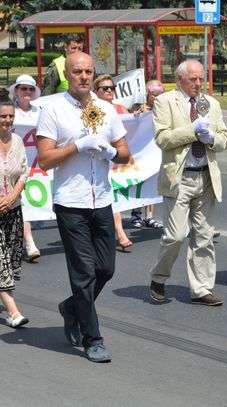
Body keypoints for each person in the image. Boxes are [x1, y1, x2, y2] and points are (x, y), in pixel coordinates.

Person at [36, 52, 130, 362]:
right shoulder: (54, 110)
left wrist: (108, 153)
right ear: (68, 73)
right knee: (84, 275)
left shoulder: (105, 109)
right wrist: (77, 146)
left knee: (105, 268)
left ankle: (71, 307)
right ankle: (93, 339)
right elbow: (45, 159)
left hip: (101, 200)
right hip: (71, 202)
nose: (84, 77)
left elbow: (124, 152)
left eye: (89, 71)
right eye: (78, 71)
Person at [148, 59, 227, 306]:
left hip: (205, 176)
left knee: (204, 236)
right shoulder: (165, 102)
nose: (198, 83)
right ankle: (159, 277)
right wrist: (192, 131)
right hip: (179, 177)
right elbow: (162, 138)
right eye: (192, 79)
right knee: (175, 235)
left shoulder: (211, 103)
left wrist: (211, 137)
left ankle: (202, 288)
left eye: (201, 78)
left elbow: (224, 139)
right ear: (179, 79)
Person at [93, 74, 133, 251]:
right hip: (100, 159)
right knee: (109, 194)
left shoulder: (121, 109)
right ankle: (119, 231)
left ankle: (115, 230)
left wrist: (140, 115)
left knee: (115, 193)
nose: (109, 91)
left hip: (118, 159)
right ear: (96, 91)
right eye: (105, 88)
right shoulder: (92, 109)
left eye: (112, 88)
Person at [0, 89, 29, 328]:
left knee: (10, 258)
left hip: (13, 210)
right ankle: (13, 312)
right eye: (3, 116)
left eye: (10, 116)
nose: (8, 120)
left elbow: (24, 173)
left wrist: (12, 197)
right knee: (1, 262)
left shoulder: (17, 141)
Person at [9, 74, 42, 262]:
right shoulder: (10, 111)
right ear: (17, 91)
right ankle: (29, 243)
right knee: (22, 202)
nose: (27, 92)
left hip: (38, 163)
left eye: (30, 89)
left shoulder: (40, 111)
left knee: (27, 203)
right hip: (15, 162)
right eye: (23, 88)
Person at [129, 79, 164, 230]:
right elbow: (128, 124)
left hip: (154, 151)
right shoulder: (139, 108)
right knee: (138, 182)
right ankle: (136, 213)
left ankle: (149, 216)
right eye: (154, 94)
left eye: (160, 94)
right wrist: (135, 116)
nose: (156, 97)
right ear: (147, 93)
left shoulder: (162, 110)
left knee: (152, 182)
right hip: (139, 152)